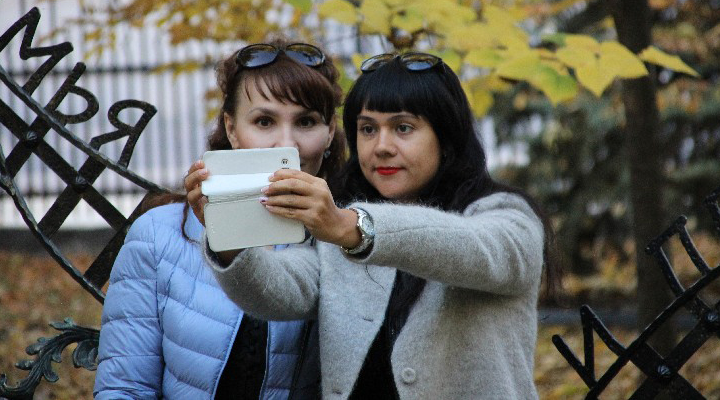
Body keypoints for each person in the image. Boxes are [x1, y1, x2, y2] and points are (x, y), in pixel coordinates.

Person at [195, 51, 558, 399]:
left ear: (446, 137)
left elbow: (474, 248)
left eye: (403, 127)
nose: (381, 146)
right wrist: (226, 232)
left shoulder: (508, 215)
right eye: (368, 129)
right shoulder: (342, 222)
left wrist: (355, 229)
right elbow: (280, 293)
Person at [94, 41, 346, 400]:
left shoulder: (351, 237)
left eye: (305, 122)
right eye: (264, 121)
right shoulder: (158, 235)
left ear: (330, 131)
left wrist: (340, 232)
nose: (285, 144)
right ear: (231, 129)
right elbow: (124, 388)